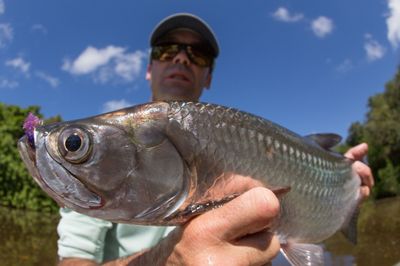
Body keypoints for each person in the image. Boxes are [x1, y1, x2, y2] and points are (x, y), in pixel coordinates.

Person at [57, 13, 374, 266]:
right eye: (167, 49)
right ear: (149, 68)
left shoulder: (239, 135)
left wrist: (346, 188)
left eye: (198, 54)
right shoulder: (89, 178)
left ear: (208, 76)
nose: (181, 59)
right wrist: (166, 262)